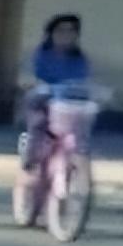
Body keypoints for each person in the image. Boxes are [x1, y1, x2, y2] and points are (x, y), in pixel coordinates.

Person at [19, 13, 91, 169]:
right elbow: (31, 76)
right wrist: (38, 85)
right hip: (43, 98)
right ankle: (31, 154)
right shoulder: (41, 54)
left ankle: (78, 156)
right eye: (61, 30)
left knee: (83, 122)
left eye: (71, 31)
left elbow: (81, 80)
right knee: (38, 122)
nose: (66, 35)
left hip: (67, 102)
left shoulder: (79, 58)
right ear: (51, 33)